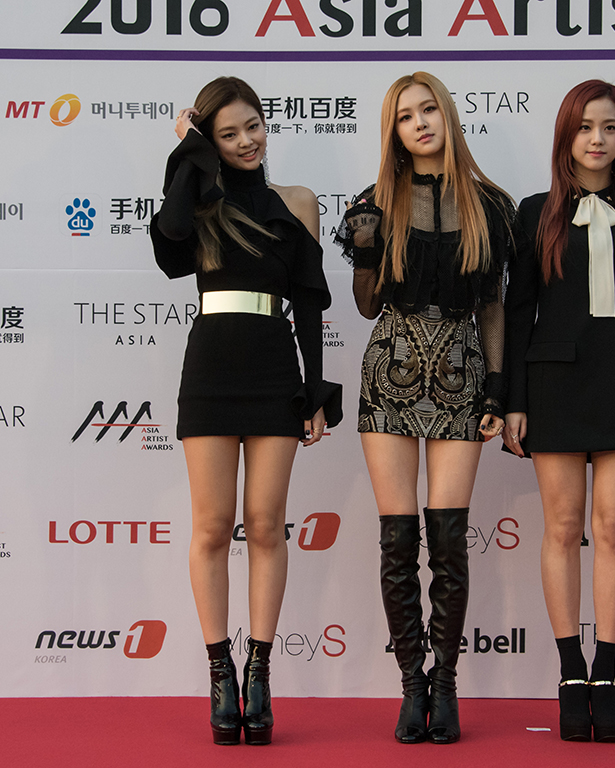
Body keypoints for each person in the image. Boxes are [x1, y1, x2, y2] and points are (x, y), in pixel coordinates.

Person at [150, 76, 342, 746]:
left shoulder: (297, 203)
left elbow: (312, 303)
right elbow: (170, 241)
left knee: (265, 524)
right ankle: (218, 672)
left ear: (267, 122)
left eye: (252, 126)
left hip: (272, 371)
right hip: (209, 369)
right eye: (227, 133)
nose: (246, 141)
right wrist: (191, 154)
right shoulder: (199, 198)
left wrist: (316, 390)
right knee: (211, 527)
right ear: (210, 138)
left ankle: (260, 671)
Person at [336, 72, 516, 745]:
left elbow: (494, 304)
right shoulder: (375, 201)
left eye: (428, 108)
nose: (420, 122)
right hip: (391, 369)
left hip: (463, 370)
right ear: (394, 131)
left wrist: (497, 389)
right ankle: (411, 686)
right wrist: (364, 248)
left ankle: (447, 686)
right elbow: (364, 305)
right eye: (406, 115)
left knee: (448, 538)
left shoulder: (490, 205)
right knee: (396, 538)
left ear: (447, 115)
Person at [502, 80, 615, 744]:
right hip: (554, 384)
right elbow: (518, 313)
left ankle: (606, 673)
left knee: (612, 528)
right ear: (565, 137)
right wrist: (512, 401)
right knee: (563, 526)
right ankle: (569, 673)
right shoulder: (532, 212)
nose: (597, 139)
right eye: (584, 128)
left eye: (609, 128)